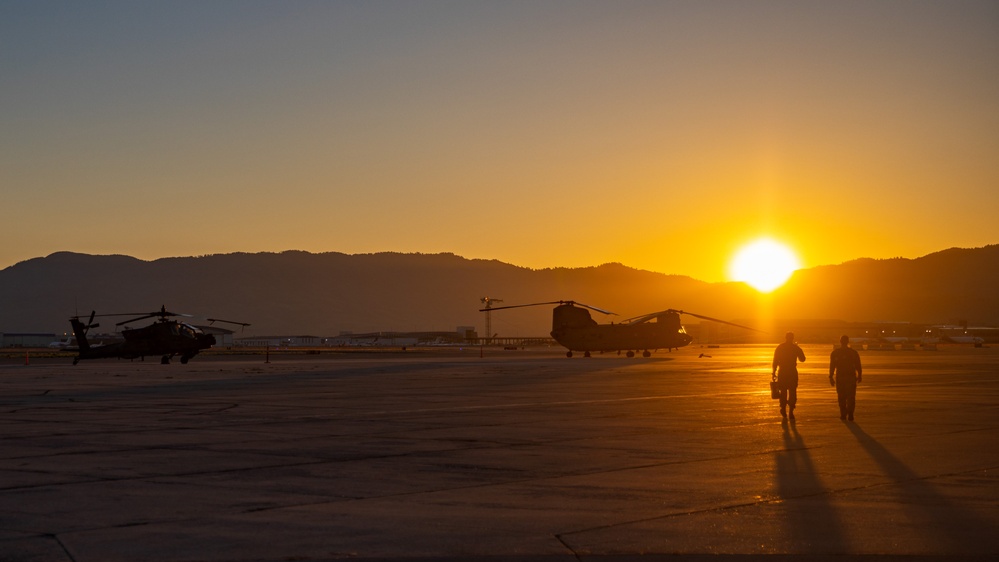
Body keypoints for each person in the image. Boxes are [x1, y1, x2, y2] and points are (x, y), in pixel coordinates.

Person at [772, 331, 806, 420]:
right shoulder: (795, 348)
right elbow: (802, 359)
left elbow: (775, 361)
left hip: (782, 371)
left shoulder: (780, 347)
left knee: (783, 391)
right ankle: (791, 411)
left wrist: (774, 372)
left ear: (785, 337)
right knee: (792, 392)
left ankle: (783, 408)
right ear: (792, 338)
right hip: (792, 372)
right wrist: (798, 349)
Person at [829, 334, 863, 420]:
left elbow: (832, 366)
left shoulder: (835, 353)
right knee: (851, 397)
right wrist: (860, 375)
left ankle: (843, 414)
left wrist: (830, 377)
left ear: (840, 342)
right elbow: (858, 365)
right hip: (850, 377)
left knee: (841, 397)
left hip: (840, 377)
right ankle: (850, 414)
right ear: (848, 342)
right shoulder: (853, 353)